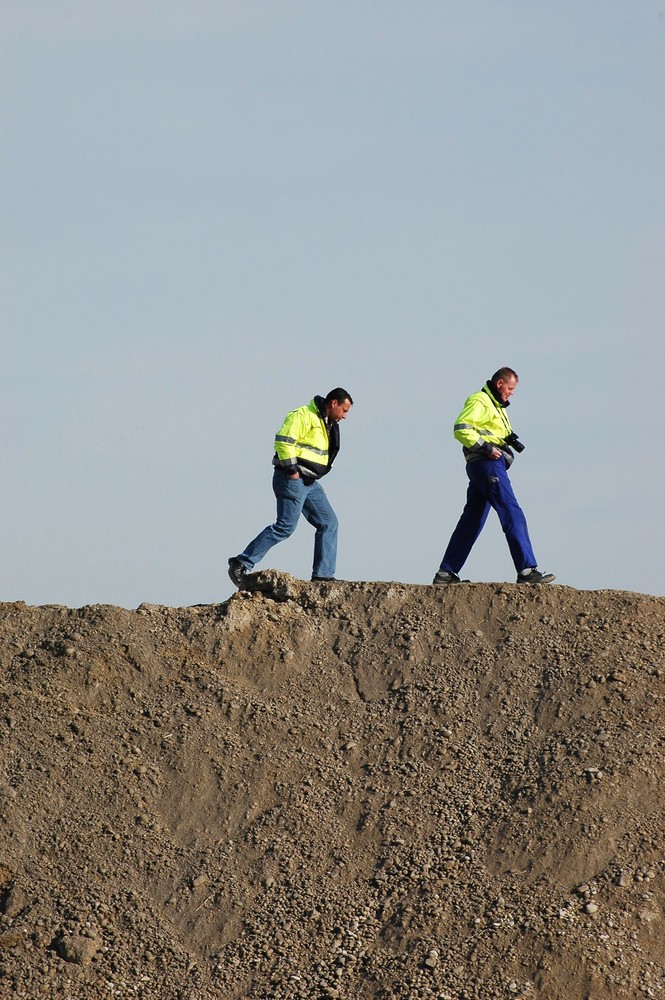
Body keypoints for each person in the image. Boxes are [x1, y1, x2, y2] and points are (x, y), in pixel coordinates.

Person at [433, 367, 555, 585]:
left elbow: (491, 429)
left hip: (484, 466)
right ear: (499, 383)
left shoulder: (496, 405)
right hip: (488, 465)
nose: (512, 393)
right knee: (511, 510)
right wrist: (487, 447)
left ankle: (445, 573)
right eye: (510, 388)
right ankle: (527, 570)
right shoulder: (480, 400)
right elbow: (461, 428)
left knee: (472, 519)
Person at [228, 388, 353, 587]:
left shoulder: (327, 423)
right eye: (344, 410)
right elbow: (283, 441)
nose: (345, 416)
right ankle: (240, 562)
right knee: (285, 526)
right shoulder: (304, 415)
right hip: (292, 479)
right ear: (334, 403)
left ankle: (323, 576)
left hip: (310, 483)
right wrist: (292, 471)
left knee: (329, 522)